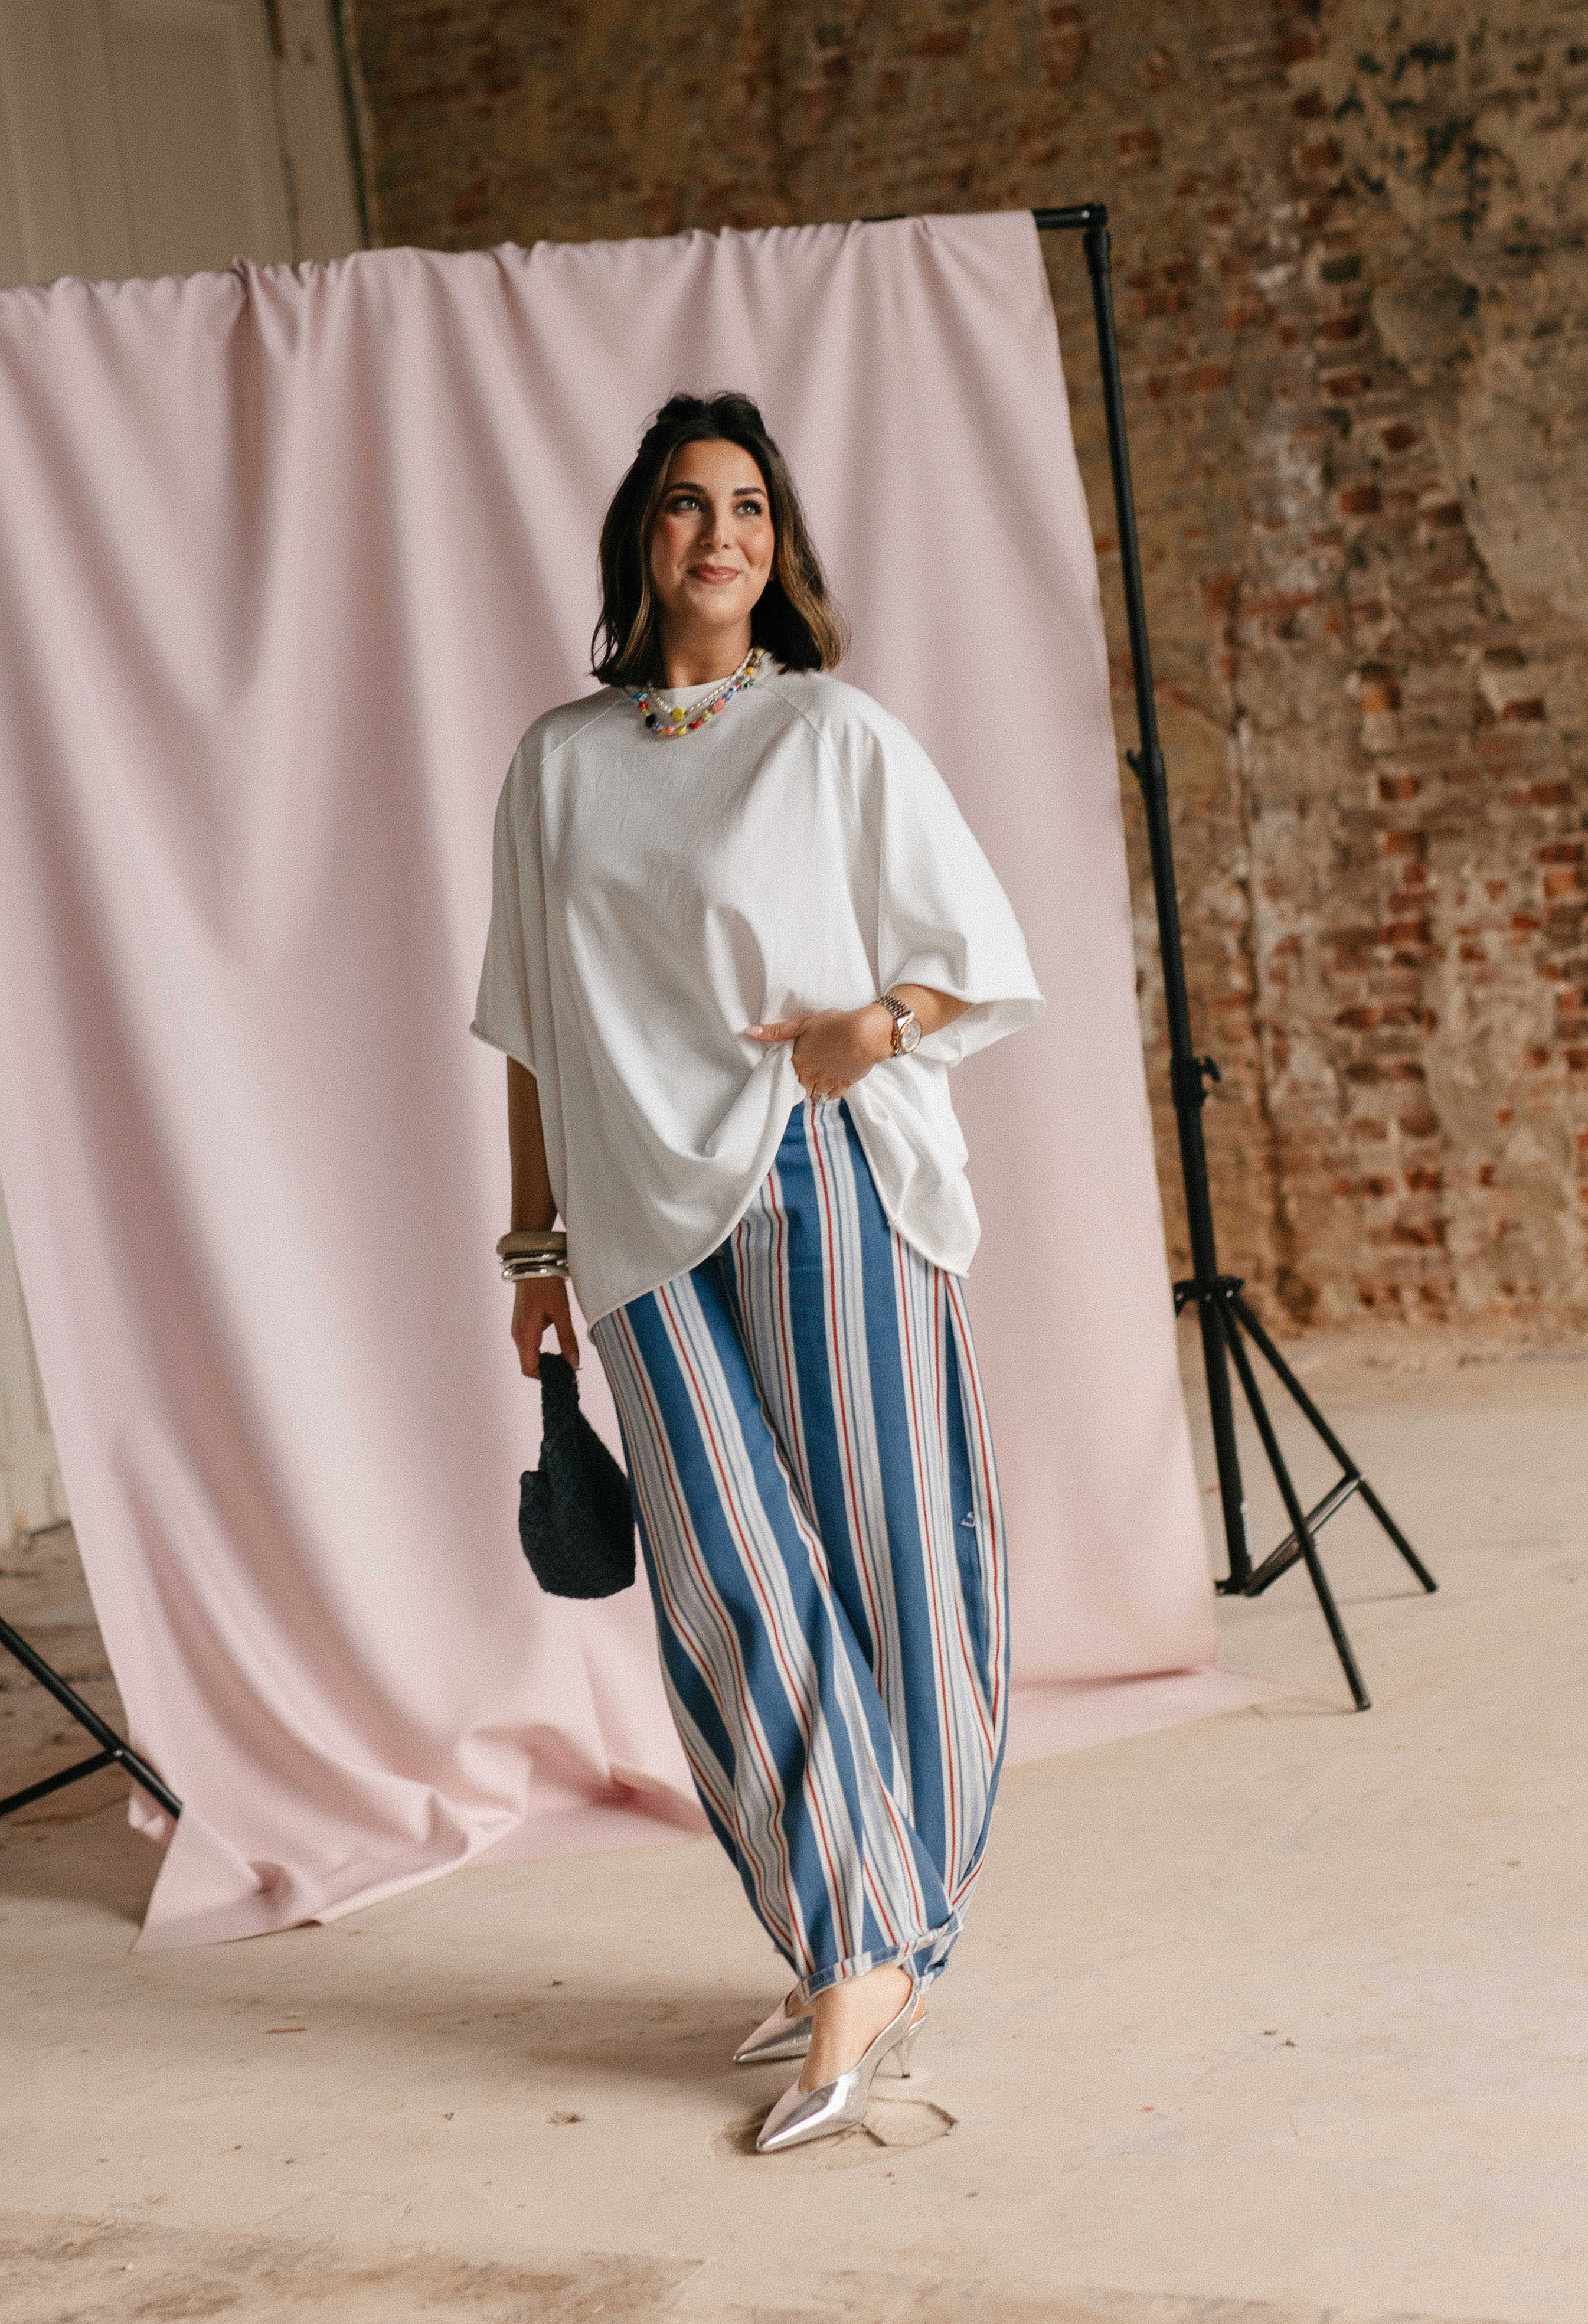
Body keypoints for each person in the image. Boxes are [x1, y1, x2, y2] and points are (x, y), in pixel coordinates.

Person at [471, 390, 1043, 2154]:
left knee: (887, 1559)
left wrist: (878, 1027)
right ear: (639, 537)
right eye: (684, 504)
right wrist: (534, 1250)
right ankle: (863, 1935)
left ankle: (873, 1950)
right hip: (634, 1216)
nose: (717, 535)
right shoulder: (559, 762)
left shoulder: (829, 733)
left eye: (746, 508)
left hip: (821, 1173)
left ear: (776, 545)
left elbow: (972, 959)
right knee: (726, 1575)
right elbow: (531, 1034)